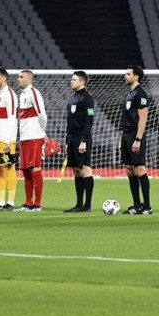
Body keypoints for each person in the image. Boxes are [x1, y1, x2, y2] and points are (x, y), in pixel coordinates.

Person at [121, 65, 152, 214]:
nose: (125, 76)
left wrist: (138, 139)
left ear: (136, 77)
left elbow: (143, 119)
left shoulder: (141, 94)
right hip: (126, 135)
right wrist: (122, 138)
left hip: (135, 135)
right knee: (129, 170)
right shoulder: (129, 94)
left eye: (128, 74)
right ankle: (136, 205)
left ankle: (147, 206)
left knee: (139, 168)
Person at [64, 70, 96, 212]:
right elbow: (69, 121)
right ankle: (78, 204)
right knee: (76, 171)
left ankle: (87, 205)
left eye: (74, 79)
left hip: (81, 137)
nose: (71, 81)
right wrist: (66, 141)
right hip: (71, 138)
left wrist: (84, 140)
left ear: (82, 82)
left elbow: (89, 122)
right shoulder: (72, 98)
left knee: (85, 169)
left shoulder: (87, 99)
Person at [16, 70, 47, 212]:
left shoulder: (34, 92)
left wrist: (41, 132)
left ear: (29, 79)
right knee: (25, 170)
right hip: (24, 138)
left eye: (21, 77)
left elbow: (42, 115)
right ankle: (28, 203)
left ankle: (38, 204)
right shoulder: (22, 95)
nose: (18, 79)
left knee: (35, 168)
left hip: (34, 136)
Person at [0, 68, 18, 211]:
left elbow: (12, 118)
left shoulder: (10, 95)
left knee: (9, 169)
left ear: (4, 78)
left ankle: (10, 203)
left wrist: (7, 140)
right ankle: (0, 202)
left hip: (6, 140)